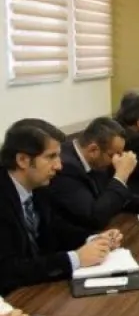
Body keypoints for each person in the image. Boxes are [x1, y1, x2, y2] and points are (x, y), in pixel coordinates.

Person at [0, 119, 122, 295]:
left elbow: (55, 228)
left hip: (35, 291)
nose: (59, 166)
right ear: (22, 160)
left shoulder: (39, 187)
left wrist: (93, 239)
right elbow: (8, 270)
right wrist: (75, 259)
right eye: (51, 157)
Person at [43, 117, 139, 230]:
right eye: (113, 155)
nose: (116, 160)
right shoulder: (65, 168)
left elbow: (112, 196)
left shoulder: (95, 160)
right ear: (93, 150)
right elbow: (94, 218)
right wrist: (121, 176)